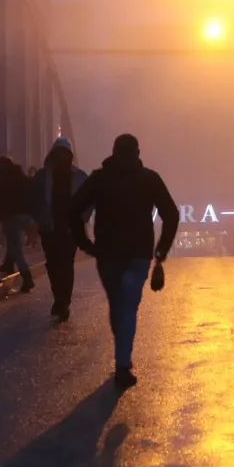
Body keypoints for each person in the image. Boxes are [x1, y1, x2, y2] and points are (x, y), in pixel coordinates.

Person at [70, 134, 179, 389]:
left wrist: (84, 243)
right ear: (138, 152)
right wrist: (161, 250)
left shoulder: (99, 179)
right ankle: (122, 362)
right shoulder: (149, 179)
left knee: (118, 304)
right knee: (128, 306)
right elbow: (171, 214)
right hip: (139, 254)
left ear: (113, 152)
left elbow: (73, 210)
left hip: (107, 254)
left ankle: (122, 357)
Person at [31, 137, 88, 321]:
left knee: (65, 264)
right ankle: (59, 299)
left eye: (66, 154)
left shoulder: (79, 177)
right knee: (54, 265)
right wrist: (38, 220)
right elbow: (33, 201)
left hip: (70, 230)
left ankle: (63, 302)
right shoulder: (42, 177)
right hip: (49, 228)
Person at [0, 156, 34, 293]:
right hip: (25, 216)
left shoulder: (0, 179)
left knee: (16, 247)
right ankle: (8, 264)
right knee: (13, 241)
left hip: (11, 217)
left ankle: (27, 277)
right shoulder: (21, 176)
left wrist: (1, 215)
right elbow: (32, 192)